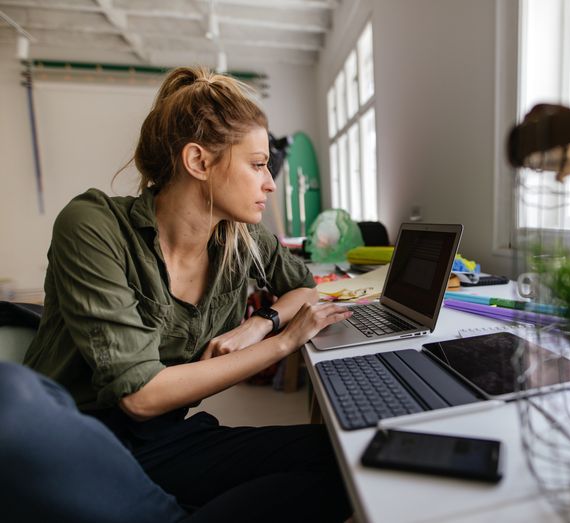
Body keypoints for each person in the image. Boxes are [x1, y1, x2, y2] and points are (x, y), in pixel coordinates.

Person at [22, 66, 353, 522]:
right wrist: (283, 343)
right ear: (198, 162)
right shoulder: (92, 224)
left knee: (348, 459)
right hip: (78, 443)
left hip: (165, 439)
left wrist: (260, 324)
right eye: (258, 165)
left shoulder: (240, 239)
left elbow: (302, 288)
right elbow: (140, 396)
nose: (270, 182)